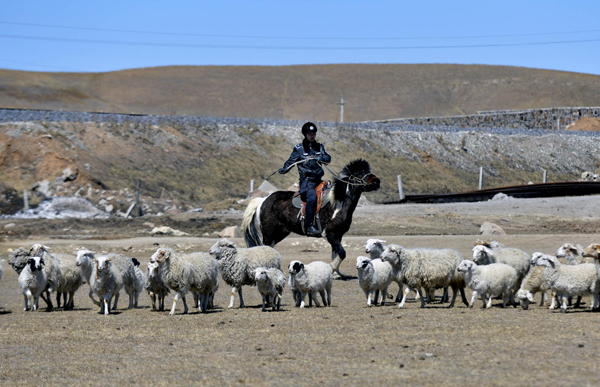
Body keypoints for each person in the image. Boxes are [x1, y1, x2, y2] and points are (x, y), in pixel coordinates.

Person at [279, 122, 331, 237]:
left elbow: (328, 158)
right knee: (312, 197)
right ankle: (309, 226)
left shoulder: (320, 146)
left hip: (319, 180)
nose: (312, 136)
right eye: (309, 134)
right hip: (307, 182)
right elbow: (290, 162)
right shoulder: (299, 149)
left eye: (313, 133)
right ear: (305, 134)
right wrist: (284, 169)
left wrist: (320, 157)